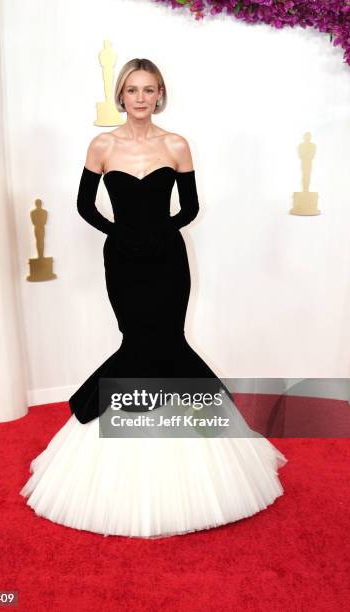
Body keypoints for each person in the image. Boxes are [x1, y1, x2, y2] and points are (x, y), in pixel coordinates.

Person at [20, 58, 287, 538]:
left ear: (160, 94)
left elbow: (191, 206)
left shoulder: (176, 144)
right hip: (122, 261)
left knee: (167, 339)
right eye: (132, 89)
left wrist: (161, 233)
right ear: (120, 95)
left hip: (168, 261)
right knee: (136, 340)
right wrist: (117, 234)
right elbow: (84, 205)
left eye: (149, 90)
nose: (140, 98)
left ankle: (184, 460)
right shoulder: (101, 145)